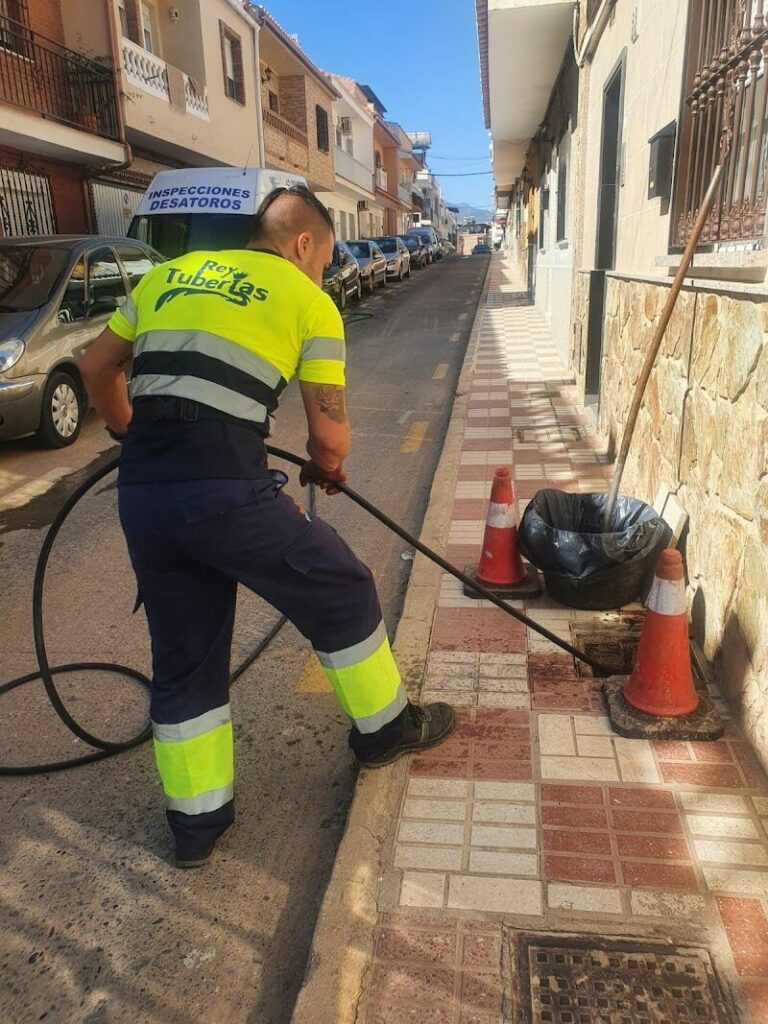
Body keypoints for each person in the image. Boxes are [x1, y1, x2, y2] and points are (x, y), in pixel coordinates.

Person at [80, 186, 455, 868]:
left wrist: (129, 431)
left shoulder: (166, 277)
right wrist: (328, 468)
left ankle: (197, 827)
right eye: (323, 260)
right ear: (303, 243)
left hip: (144, 494)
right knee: (341, 587)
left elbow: (94, 366)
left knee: (186, 656)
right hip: (227, 491)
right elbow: (330, 434)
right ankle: (386, 729)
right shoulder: (309, 301)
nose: (320, 274)